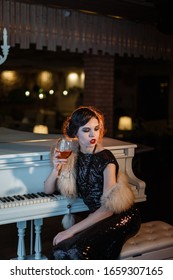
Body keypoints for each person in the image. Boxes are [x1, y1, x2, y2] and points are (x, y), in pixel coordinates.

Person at [44, 106, 141, 260]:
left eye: (96, 129)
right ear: (75, 132)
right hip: (97, 217)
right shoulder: (72, 157)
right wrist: (56, 169)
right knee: (59, 251)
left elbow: (108, 209)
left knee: (79, 251)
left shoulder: (105, 158)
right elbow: (48, 190)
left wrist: (70, 231)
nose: (92, 134)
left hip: (120, 217)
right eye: (86, 130)